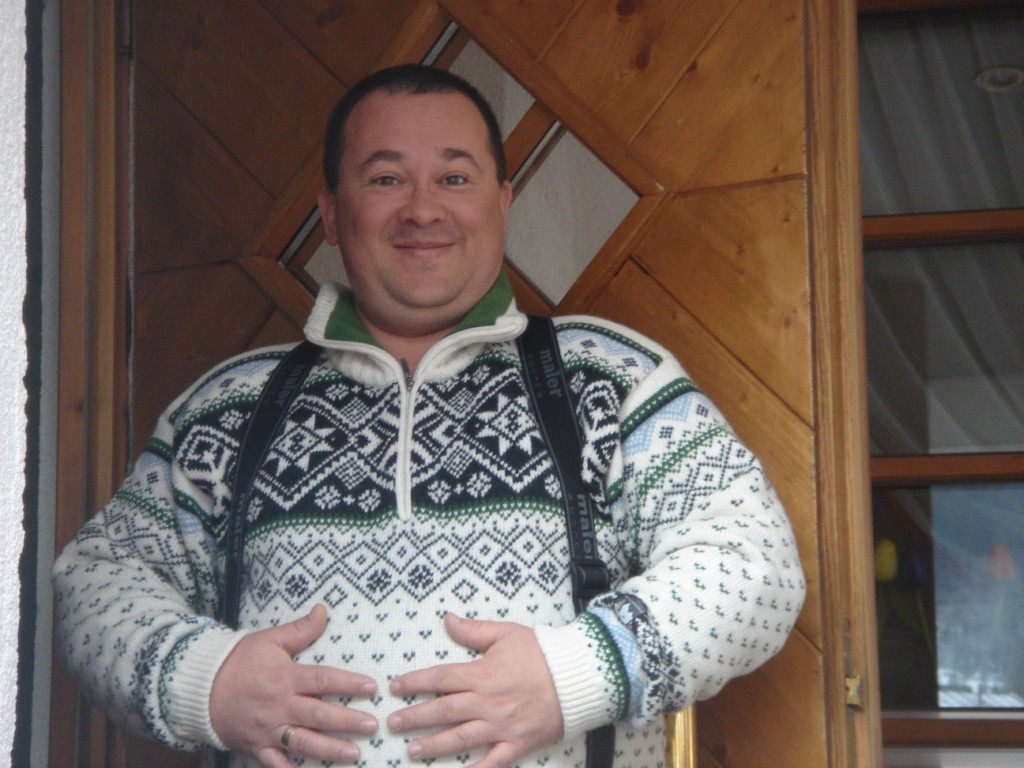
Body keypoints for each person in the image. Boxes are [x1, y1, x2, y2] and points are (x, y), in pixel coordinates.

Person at [54, 64, 806, 768]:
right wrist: (205, 682)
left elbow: (754, 564)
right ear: (331, 213)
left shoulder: (609, 378)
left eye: (454, 177)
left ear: (501, 203)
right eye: (385, 178)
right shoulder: (227, 406)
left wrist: (576, 673)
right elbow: (97, 583)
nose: (422, 209)